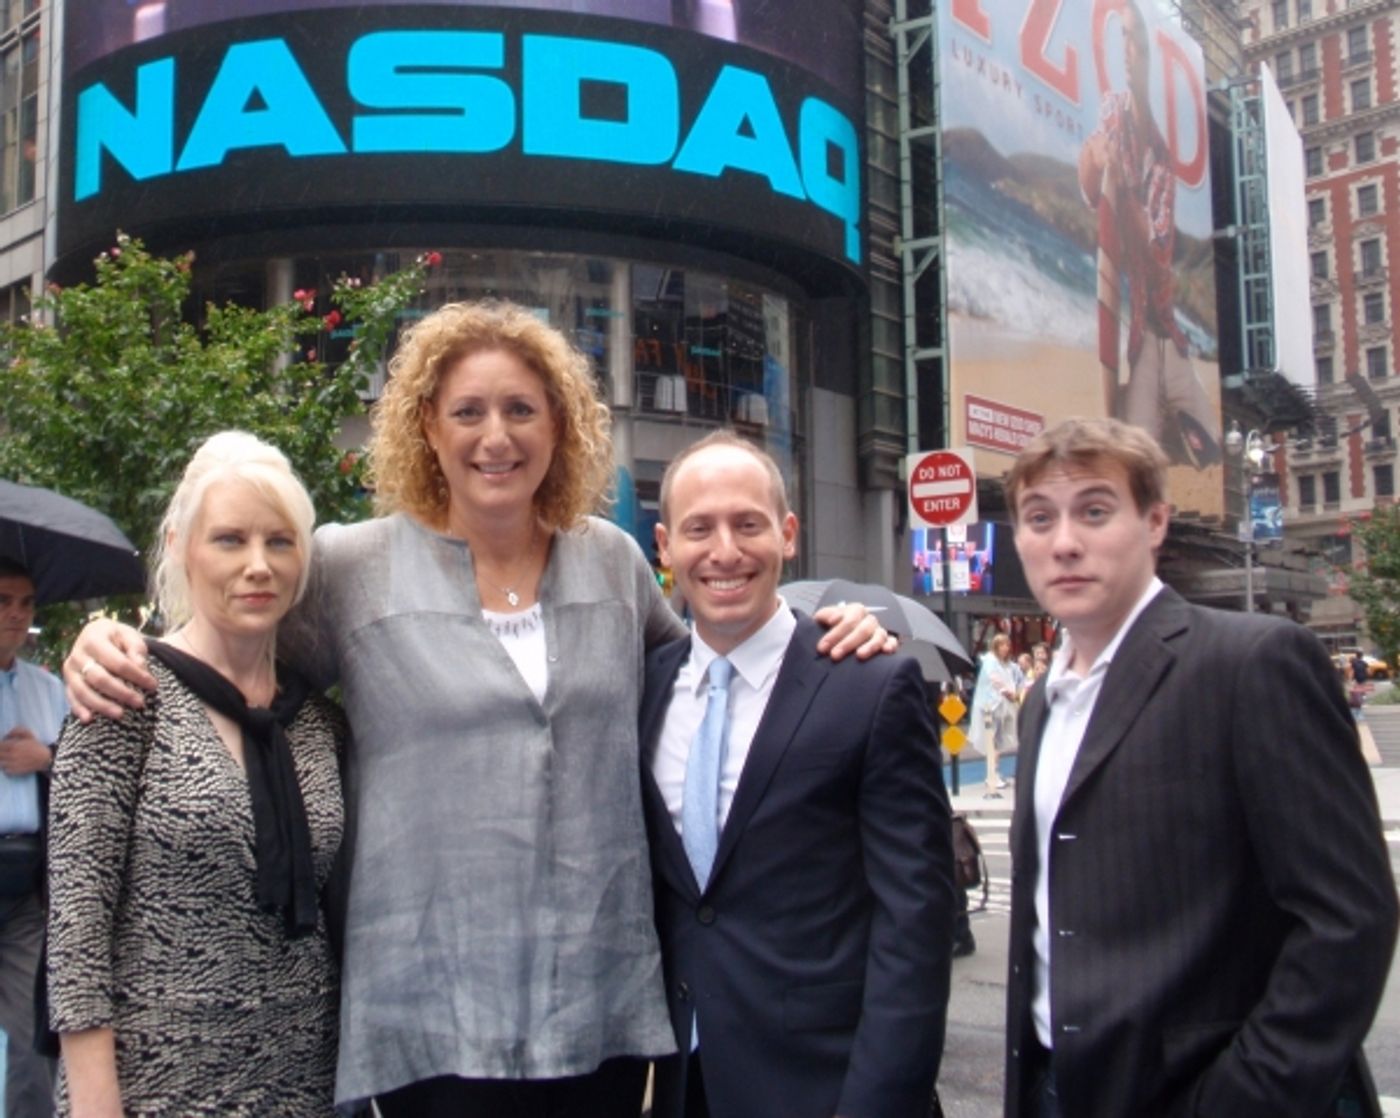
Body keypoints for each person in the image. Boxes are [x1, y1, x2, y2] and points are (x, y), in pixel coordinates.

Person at [63, 301, 886, 1116]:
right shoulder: (354, 566)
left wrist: (820, 630)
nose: (497, 437)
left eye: (522, 409)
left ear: (560, 426)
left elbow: (716, 662)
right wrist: (118, 641)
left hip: (595, 1014)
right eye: (468, 411)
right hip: (426, 1020)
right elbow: (236, 633)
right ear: (427, 426)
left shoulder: (614, 563)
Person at [1002, 416, 1398, 1117]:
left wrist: (1242, 1099)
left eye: (1095, 511)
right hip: (1057, 1089)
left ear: (1155, 522)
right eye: (1039, 518)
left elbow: (1348, 920)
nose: (1064, 542)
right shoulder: (1041, 703)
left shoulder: (1252, 663)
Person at [639, 431, 955, 1118]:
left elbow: (917, 925)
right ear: (665, 547)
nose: (725, 551)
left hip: (829, 1088)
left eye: (747, 524)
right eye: (700, 529)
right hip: (688, 1087)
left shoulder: (870, 683)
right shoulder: (643, 687)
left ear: (787, 534)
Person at [47, 432, 345, 1116]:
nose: (258, 565)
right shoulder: (124, 697)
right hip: (153, 1083)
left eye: (280, 541)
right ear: (181, 544)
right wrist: (95, 1100)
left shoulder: (319, 724)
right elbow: (76, 930)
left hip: (303, 1082)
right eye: (230, 540)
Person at [1078, 0, 1220, 467]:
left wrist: (1122, 182)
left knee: (1211, 449)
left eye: (1135, 42)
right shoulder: (1112, 109)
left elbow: (1156, 250)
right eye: (1122, 40)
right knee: (1133, 461)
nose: (1127, 53)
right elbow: (1090, 182)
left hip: (1168, 338)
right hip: (1137, 344)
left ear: (1147, 58)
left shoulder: (1163, 165)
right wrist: (1098, 164)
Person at [0, 559, 62, 1118]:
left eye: (26, 603)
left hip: (24, 880)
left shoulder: (49, 691)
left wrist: (46, 758)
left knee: (35, 1032)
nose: (16, 615)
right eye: (3, 601)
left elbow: (89, 775)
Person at [969, 633, 1017, 796]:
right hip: (991, 706)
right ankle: (992, 775)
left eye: (1007, 645)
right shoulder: (990, 661)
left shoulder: (1006, 664)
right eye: (1002, 645)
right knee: (993, 741)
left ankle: (994, 773)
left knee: (997, 741)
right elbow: (995, 680)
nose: (1005, 648)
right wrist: (1008, 692)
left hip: (1000, 706)